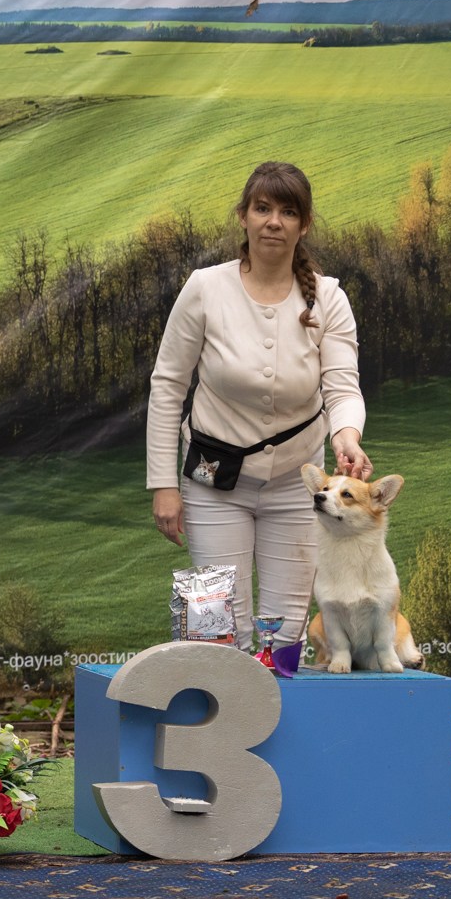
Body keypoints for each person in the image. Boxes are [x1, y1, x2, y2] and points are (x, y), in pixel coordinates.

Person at [146, 161, 371, 643]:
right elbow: (167, 386)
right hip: (211, 479)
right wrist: (163, 485)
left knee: (285, 635)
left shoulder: (329, 298)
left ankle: (280, 713)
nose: (274, 221)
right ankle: (218, 715)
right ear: (244, 217)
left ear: (303, 224)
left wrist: (347, 435)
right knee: (214, 631)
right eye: (262, 208)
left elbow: (342, 386)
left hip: (298, 484)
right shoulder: (204, 287)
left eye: (288, 212)